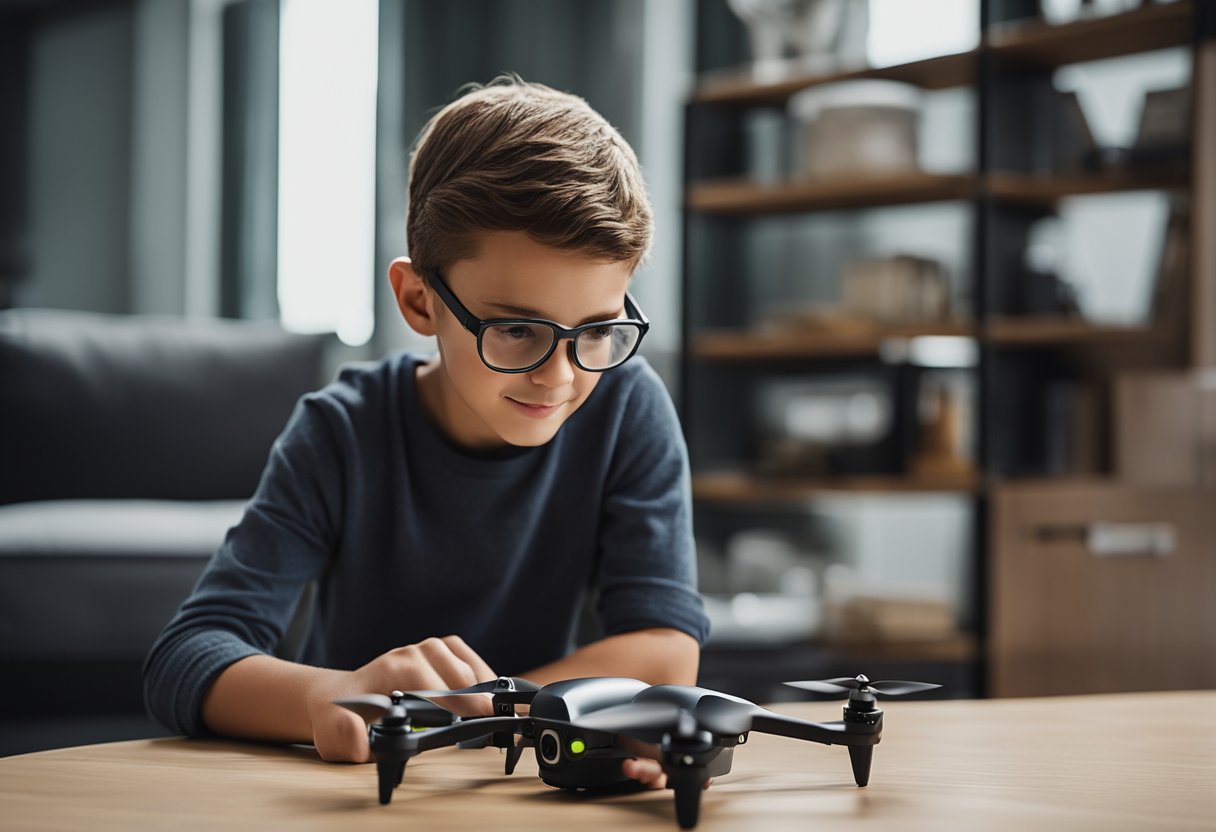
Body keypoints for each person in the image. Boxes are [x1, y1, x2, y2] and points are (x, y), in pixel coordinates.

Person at [143, 76, 708, 788]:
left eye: (596, 331)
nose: (560, 376)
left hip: (526, 789)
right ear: (418, 300)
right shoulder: (341, 433)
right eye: (515, 329)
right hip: (358, 793)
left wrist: (459, 715)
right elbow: (186, 655)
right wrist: (332, 696)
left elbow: (663, 652)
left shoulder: (625, 404)